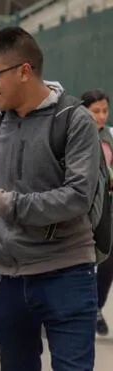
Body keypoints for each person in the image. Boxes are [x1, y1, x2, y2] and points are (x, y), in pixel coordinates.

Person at [0, 27, 100, 371]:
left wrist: (3, 204)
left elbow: (77, 197)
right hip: (4, 277)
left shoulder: (73, 120)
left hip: (65, 273)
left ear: (24, 71)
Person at [81, 89, 113, 337]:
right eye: (96, 111)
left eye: (105, 110)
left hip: (108, 208)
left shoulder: (110, 137)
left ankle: (96, 308)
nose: (101, 116)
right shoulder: (77, 136)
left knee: (107, 261)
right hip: (82, 208)